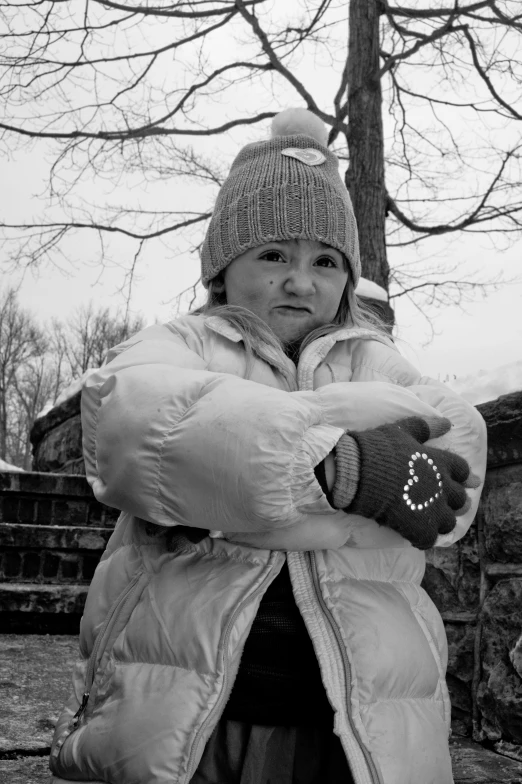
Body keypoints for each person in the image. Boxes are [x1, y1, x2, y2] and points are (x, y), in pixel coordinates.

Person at [49, 109, 487, 784]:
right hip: (197, 716)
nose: (301, 281)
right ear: (225, 267)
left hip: (359, 725)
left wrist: (239, 491)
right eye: (274, 255)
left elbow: (457, 460)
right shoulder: (183, 347)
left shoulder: (380, 362)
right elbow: (134, 428)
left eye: (326, 262)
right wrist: (336, 464)